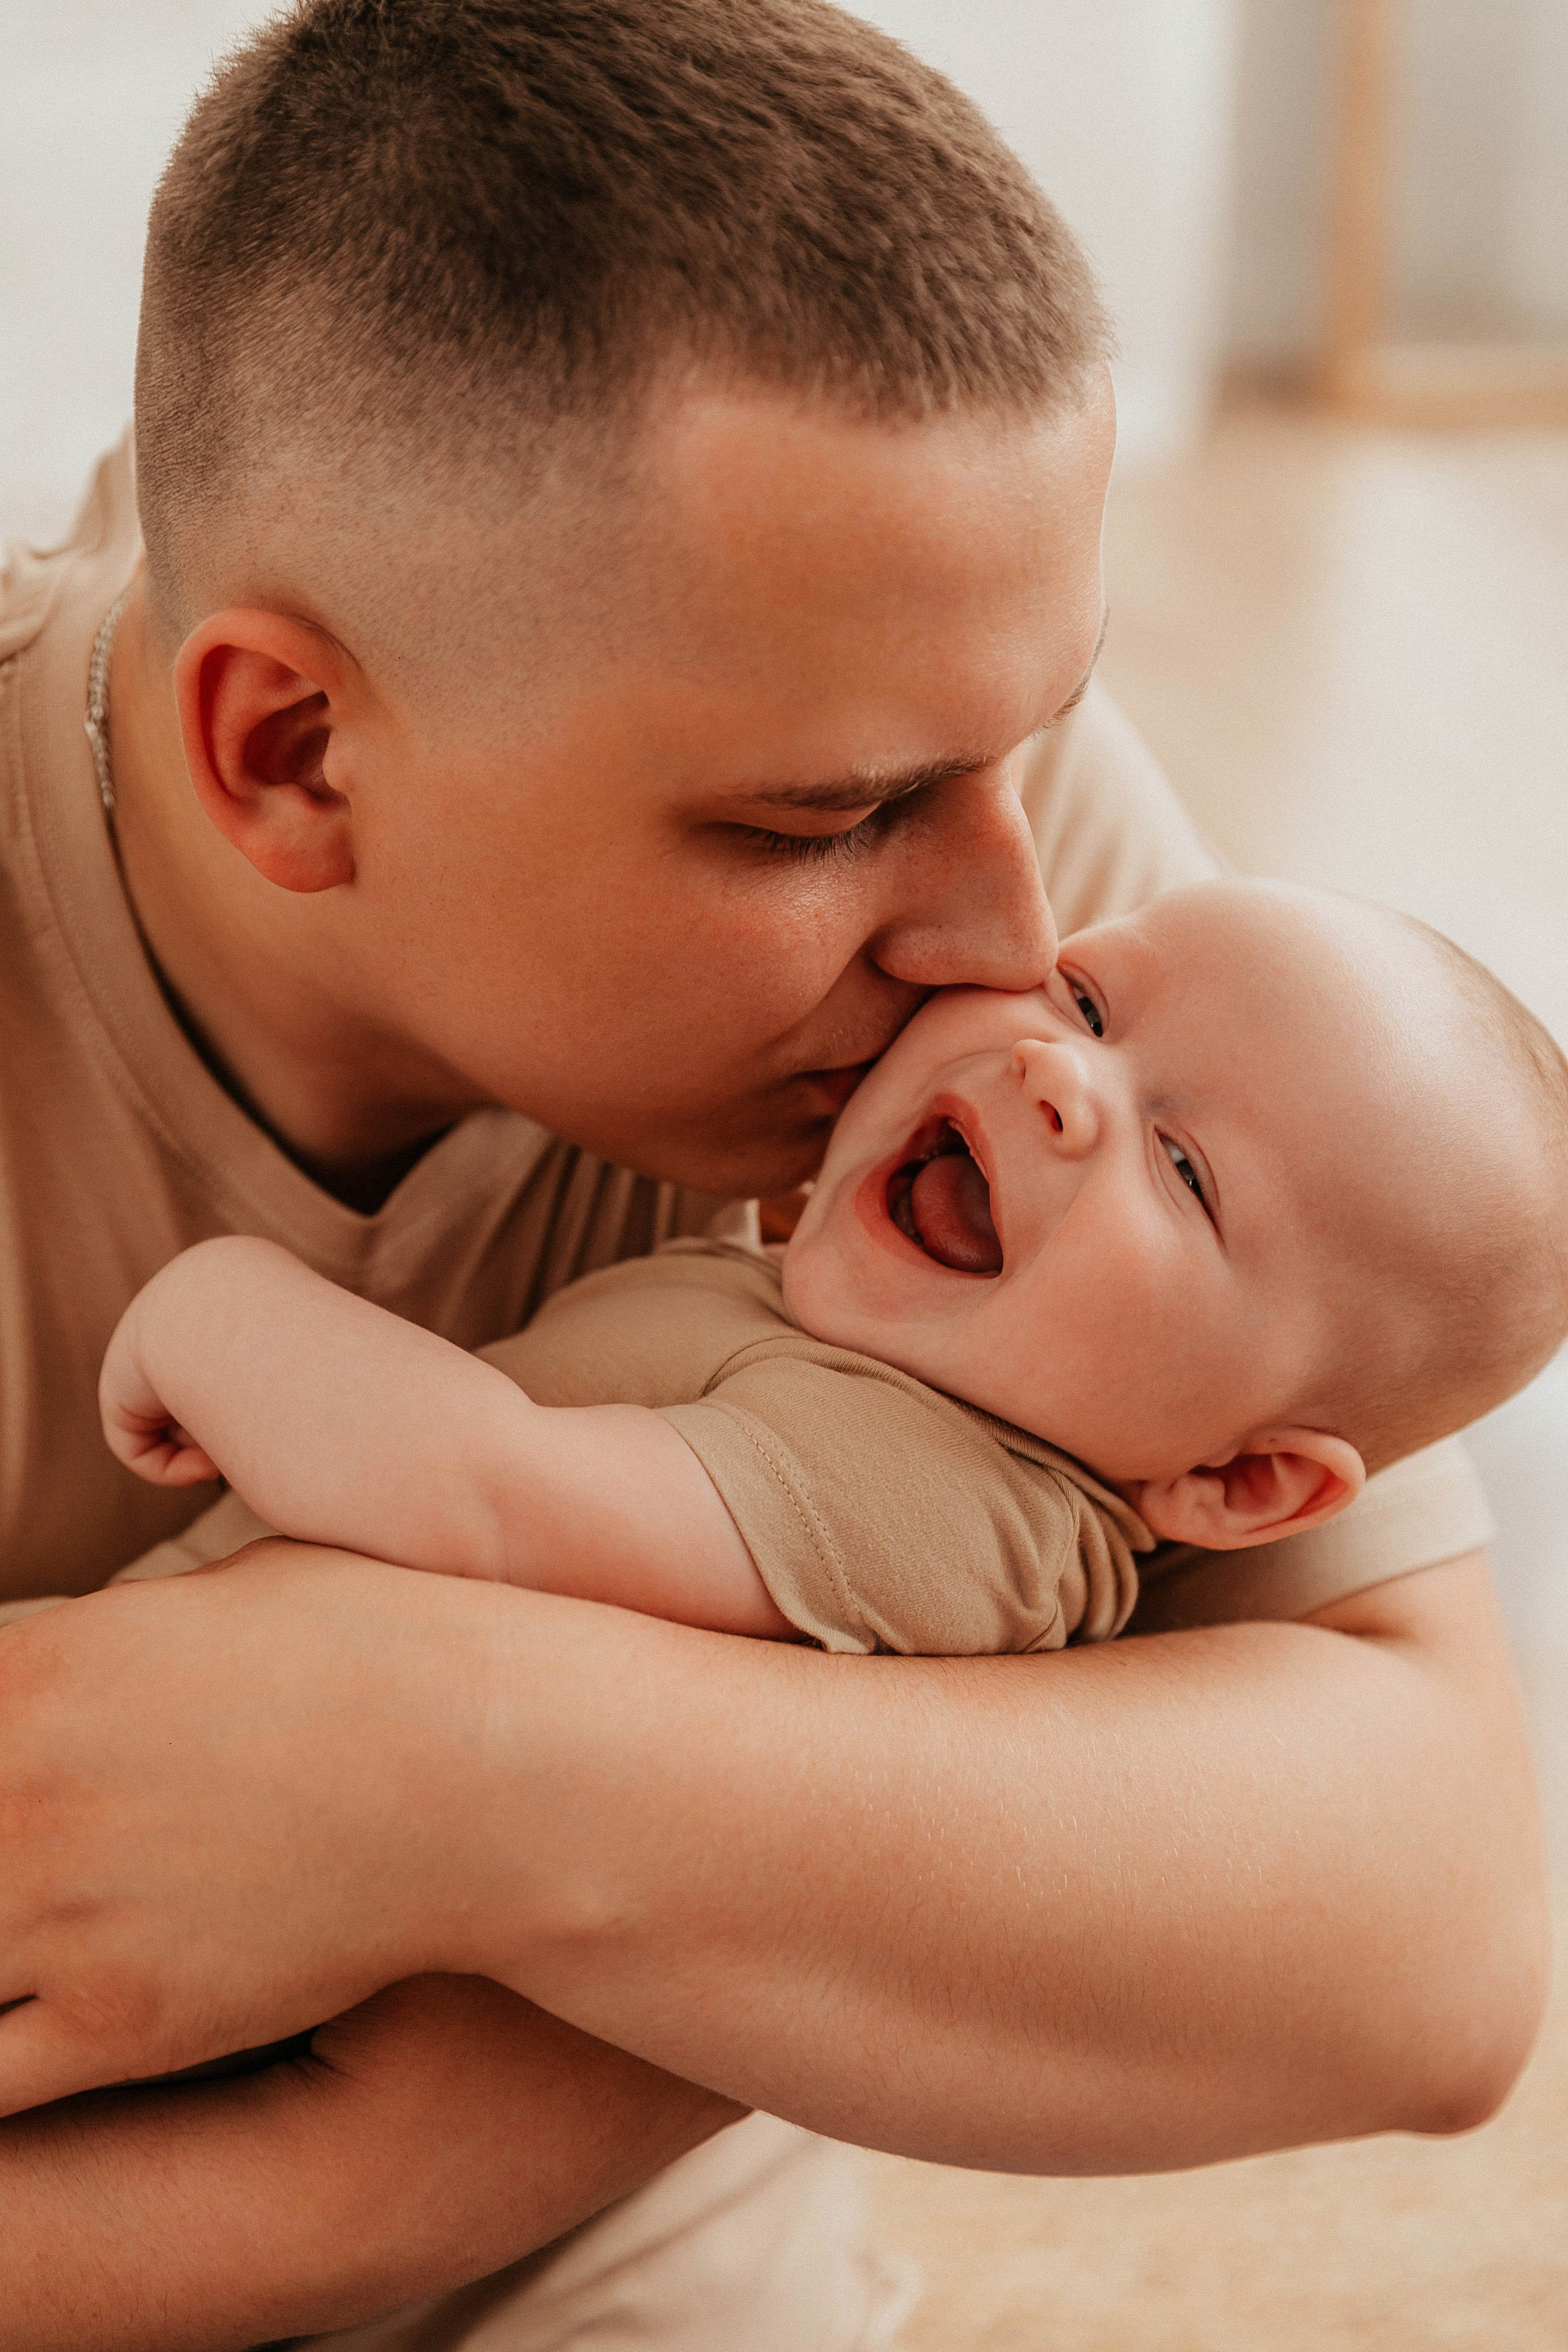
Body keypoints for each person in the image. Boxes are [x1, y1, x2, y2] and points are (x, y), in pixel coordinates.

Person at [0, 4, 1545, 2348]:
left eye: (1033, 740)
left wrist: (430, 1760)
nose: (1010, 947)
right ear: (294, 752)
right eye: (822, 828)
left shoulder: (930, 768)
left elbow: (1429, 1941)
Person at [101, 883, 1568, 1671]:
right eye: (1086, 994)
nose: (1057, 1074)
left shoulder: (948, 1504)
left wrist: (215, 1303)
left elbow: (488, 1499)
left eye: (1182, 1171)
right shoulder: (883, 1360)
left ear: (1240, 1483)